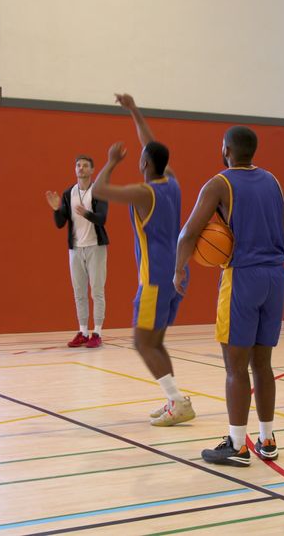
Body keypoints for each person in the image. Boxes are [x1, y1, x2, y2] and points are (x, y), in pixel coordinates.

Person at [174, 125, 284, 467]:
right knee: (263, 364)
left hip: (242, 276)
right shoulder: (272, 181)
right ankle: (267, 438)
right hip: (275, 276)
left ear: (226, 149)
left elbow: (188, 233)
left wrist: (179, 270)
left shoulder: (219, 183)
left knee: (234, 366)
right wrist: (268, 256)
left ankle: (236, 444)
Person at [92, 93, 195, 427]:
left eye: (140, 158)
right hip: (177, 276)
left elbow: (98, 190)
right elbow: (153, 146)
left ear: (145, 164)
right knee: (156, 341)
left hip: (154, 280)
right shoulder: (174, 181)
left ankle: (178, 401)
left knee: (141, 342)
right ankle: (174, 400)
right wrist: (134, 111)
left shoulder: (143, 192)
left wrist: (110, 161)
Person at [46, 154, 109, 348]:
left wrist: (87, 213)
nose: (80, 168)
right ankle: (83, 331)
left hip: (95, 247)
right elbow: (60, 224)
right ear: (75, 170)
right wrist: (56, 209)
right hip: (76, 249)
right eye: (78, 166)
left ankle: (97, 333)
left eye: (85, 166)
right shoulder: (68, 194)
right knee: (79, 292)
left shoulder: (98, 192)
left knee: (97, 291)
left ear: (92, 170)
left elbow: (102, 219)